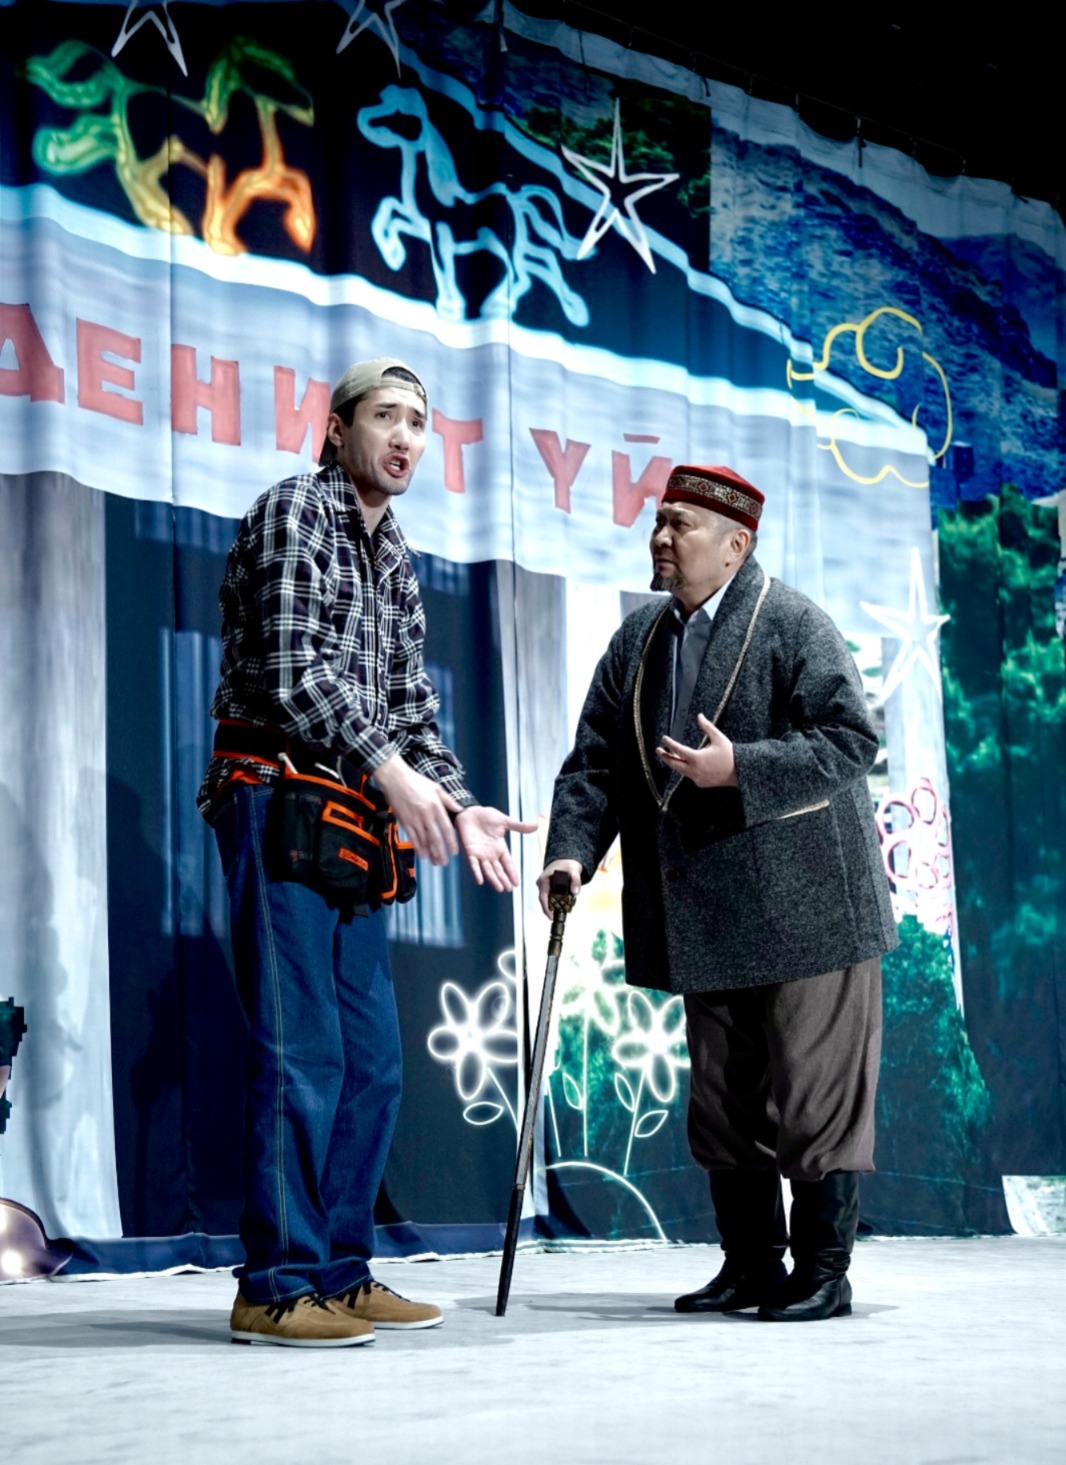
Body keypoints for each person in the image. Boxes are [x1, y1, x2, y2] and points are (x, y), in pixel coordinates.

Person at [198, 356, 534, 1347]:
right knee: (300, 1049)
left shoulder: (397, 557)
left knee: (374, 1062)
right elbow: (293, 673)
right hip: (275, 794)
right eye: (386, 416)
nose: (404, 437)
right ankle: (275, 1283)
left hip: (347, 816)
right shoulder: (295, 511)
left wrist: (456, 804)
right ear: (339, 428)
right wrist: (391, 773)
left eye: (418, 423)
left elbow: (412, 709)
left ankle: (340, 1271)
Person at [538, 464, 897, 1322]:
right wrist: (571, 854)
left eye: (681, 525)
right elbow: (596, 762)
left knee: (814, 1092)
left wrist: (743, 767)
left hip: (810, 905)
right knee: (726, 1101)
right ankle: (750, 1263)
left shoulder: (791, 621)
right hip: (708, 907)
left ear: (736, 545)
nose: (661, 537)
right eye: (658, 521)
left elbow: (852, 738)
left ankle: (824, 1269)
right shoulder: (638, 640)